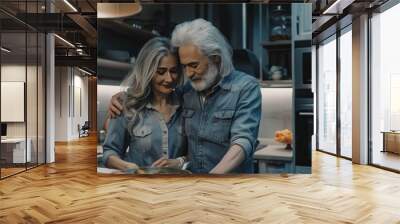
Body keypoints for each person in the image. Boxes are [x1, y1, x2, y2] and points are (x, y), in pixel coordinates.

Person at [109, 19, 261, 174]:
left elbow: (243, 141)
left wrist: (212, 178)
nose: (188, 74)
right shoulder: (187, 91)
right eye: (184, 66)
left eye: (194, 65)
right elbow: (154, 91)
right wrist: (124, 97)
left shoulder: (246, 87)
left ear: (215, 58)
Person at [102, 37, 187, 173]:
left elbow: (197, 153)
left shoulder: (187, 105)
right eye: (161, 72)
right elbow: (109, 153)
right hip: (139, 187)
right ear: (147, 71)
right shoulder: (126, 105)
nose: (169, 78)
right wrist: (128, 167)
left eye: (174, 71)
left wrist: (180, 161)